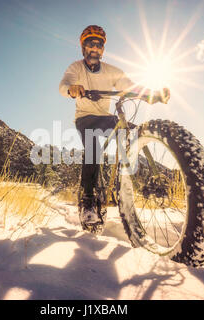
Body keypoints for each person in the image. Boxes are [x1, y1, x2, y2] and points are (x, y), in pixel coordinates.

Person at [59, 25, 170, 225]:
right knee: (93, 147)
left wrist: (151, 95)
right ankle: (88, 201)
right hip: (85, 118)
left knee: (133, 132)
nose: (95, 48)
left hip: (105, 116)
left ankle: (137, 181)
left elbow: (131, 87)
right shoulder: (75, 68)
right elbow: (63, 85)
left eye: (99, 44)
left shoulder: (111, 71)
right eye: (91, 44)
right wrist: (72, 89)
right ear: (83, 47)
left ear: (103, 49)